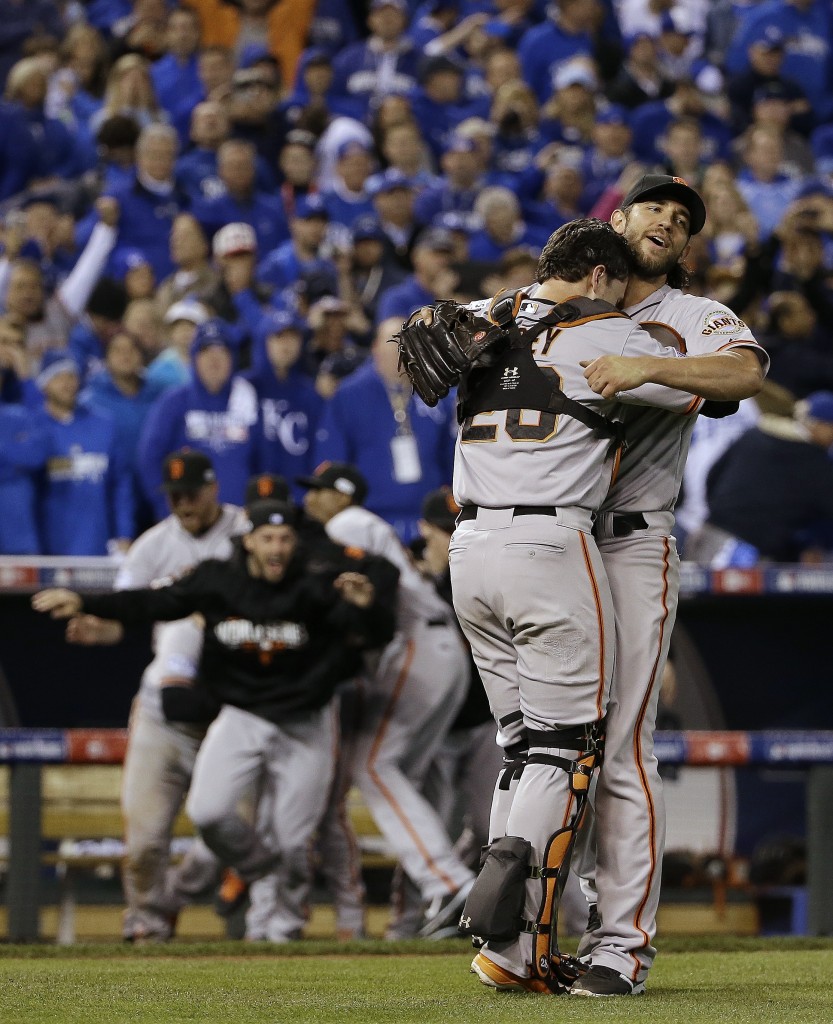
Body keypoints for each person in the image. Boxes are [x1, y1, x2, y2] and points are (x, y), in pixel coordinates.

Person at [408, 218, 701, 995]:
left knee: (519, 747)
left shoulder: (483, 321)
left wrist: (421, 314)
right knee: (567, 750)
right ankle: (503, 900)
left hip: (466, 551)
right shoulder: (604, 333)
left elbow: (422, 337)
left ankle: (511, 947)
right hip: (550, 545)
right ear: (602, 276)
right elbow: (696, 389)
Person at [569, 175, 768, 996]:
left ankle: (622, 943)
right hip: (547, 541)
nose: (667, 221)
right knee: (552, 746)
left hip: (627, 542)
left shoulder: (689, 314)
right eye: (653, 207)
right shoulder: (567, 295)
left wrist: (646, 363)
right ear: (615, 218)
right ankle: (554, 920)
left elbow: (745, 372)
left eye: (681, 220)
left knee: (622, 747)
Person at [32, 497, 399, 906]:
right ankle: (258, 868)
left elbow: (375, 636)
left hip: (304, 721)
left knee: (294, 841)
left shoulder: (316, 583)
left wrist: (369, 610)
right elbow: (150, 601)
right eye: (267, 538)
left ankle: (281, 929)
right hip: (242, 715)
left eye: (284, 538)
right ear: (248, 542)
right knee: (208, 813)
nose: (276, 547)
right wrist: (86, 601)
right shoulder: (217, 579)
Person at [58, 450, 247, 943]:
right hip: (164, 708)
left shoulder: (247, 534)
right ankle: (145, 919)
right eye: (175, 494)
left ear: (213, 488)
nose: (183, 503)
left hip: (231, 705)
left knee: (229, 832)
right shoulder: (152, 547)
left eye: (192, 492)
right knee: (143, 843)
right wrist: (101, 630)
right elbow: (124, 617)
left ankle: (173, 900)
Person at [298, 461, 474, 938]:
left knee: (371, 767)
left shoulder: (349, 523)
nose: (311, 500)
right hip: (443, 651)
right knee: (402, 780)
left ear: (343, 496)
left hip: (416, 647)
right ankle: (419, 914)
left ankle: (449, 884)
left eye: (320, 492)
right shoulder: (369, 528)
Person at [314, 316, 456, 543]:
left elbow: (450, 457)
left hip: (430, 521)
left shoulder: (437, 392)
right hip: (370, 519)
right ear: (375, 348)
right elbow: (333, 462)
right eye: (393, 342)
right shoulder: (350, 395)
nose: (401, 348)